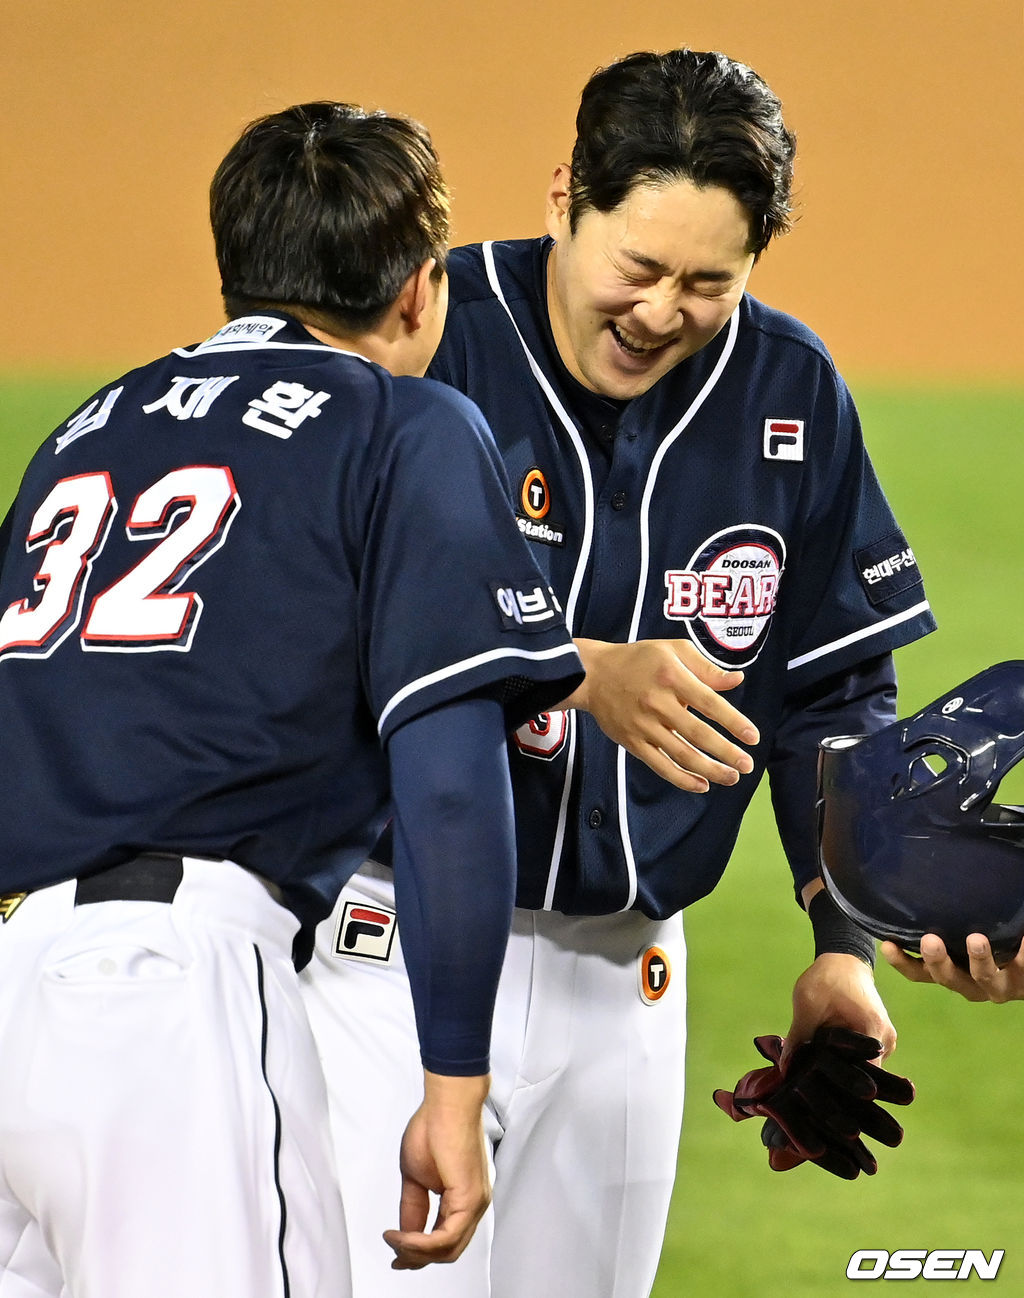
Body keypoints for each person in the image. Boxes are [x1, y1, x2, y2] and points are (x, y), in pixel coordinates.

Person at [300, 49, 936, 1297]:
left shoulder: (790, 388)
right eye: (636, 268)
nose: (660, 313)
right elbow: (309, 619)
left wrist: (841, 941)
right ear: (560, 201)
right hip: (386, 961)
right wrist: (572, 666)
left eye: (710, 282)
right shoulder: (431, 338)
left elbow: (834, 692)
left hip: (629, 985)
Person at [0, 101, 583, 1298]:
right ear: (422, 290)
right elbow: (451, 785)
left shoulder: (80, 432)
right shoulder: (404, 422)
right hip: (172, 1005)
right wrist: (454, 1085)